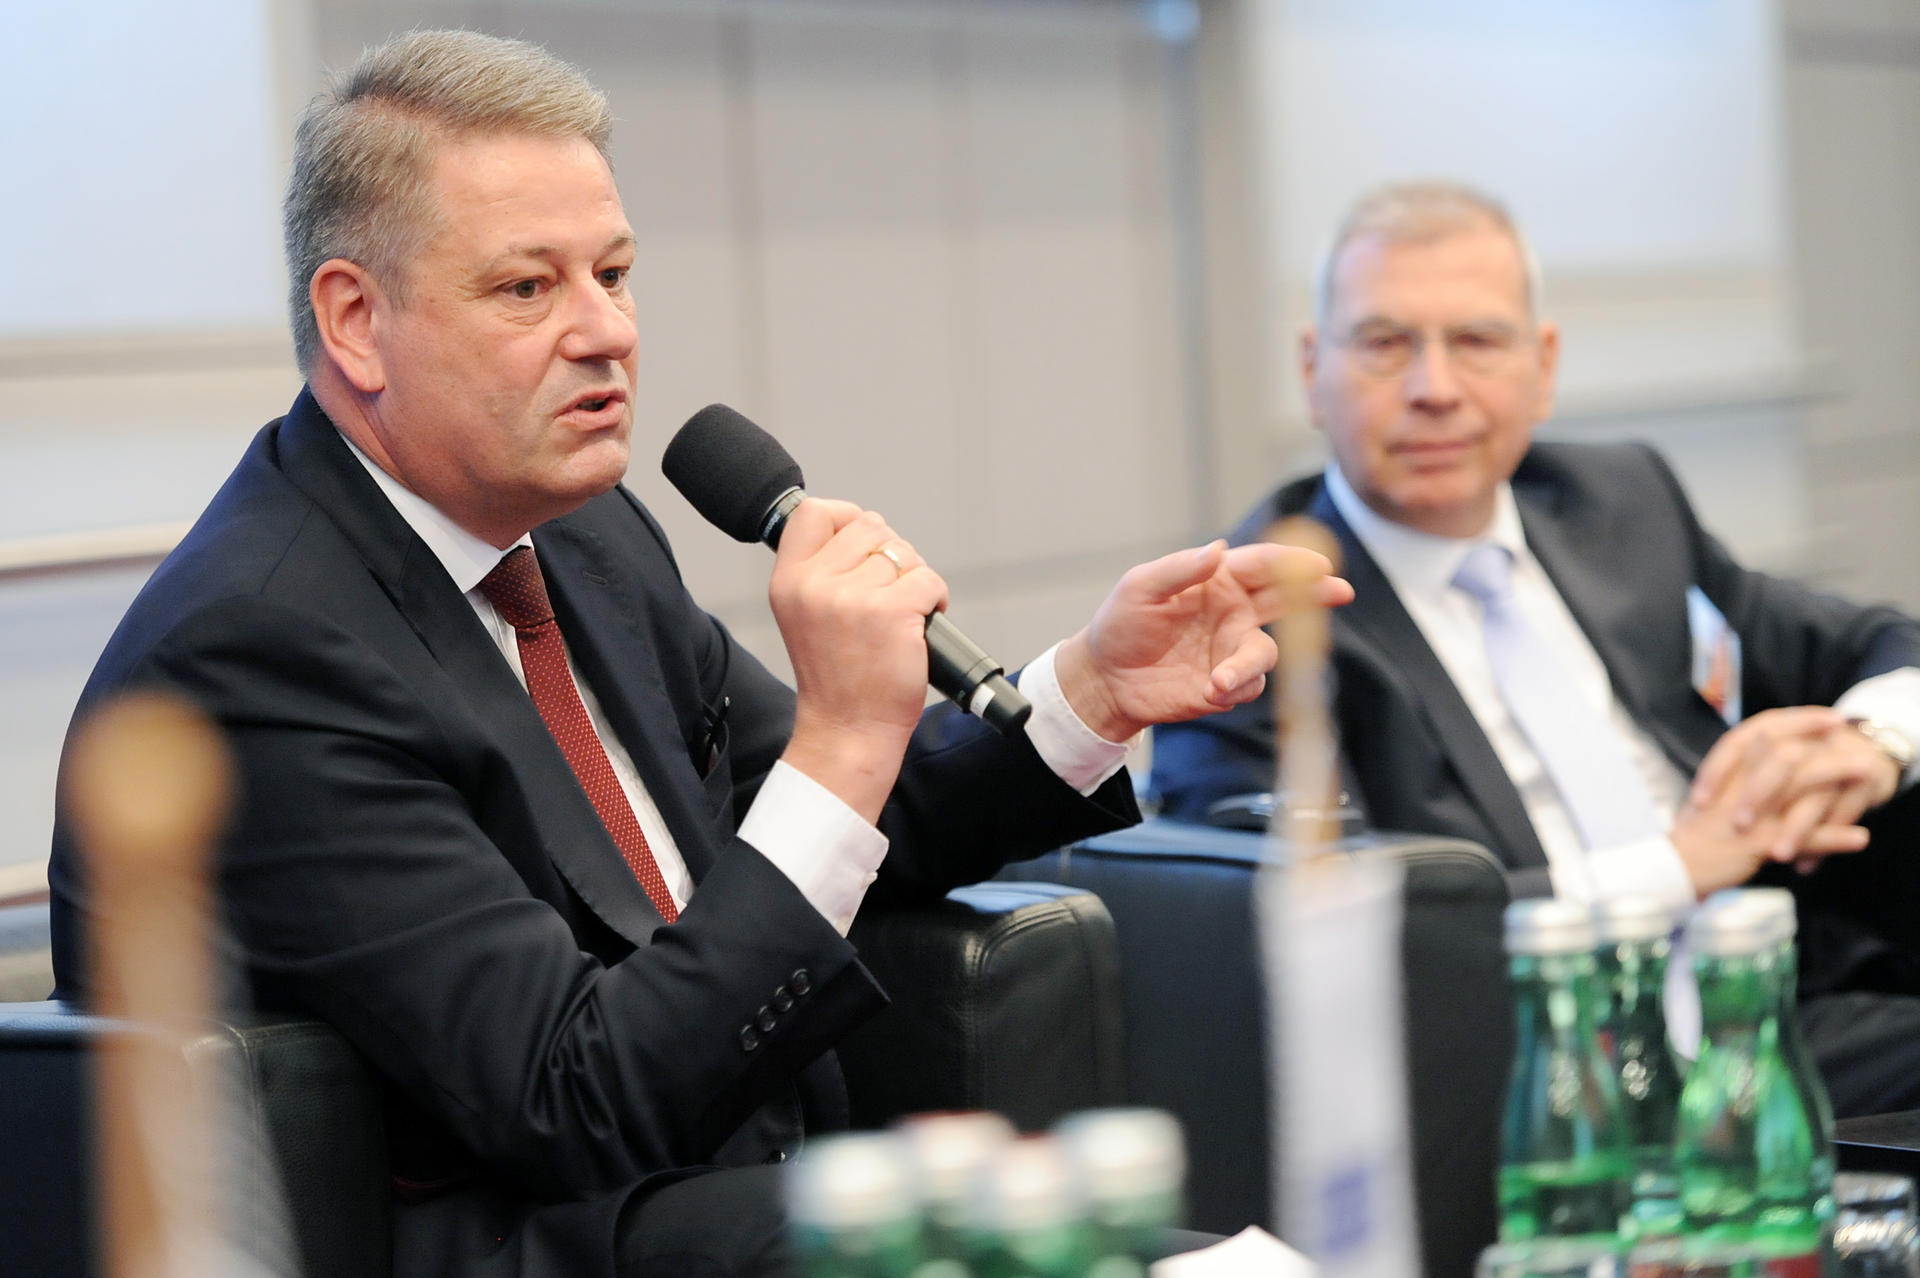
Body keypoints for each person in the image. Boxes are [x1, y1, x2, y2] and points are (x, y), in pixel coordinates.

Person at [45, 30, 1346, 1278]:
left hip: (746, 1207)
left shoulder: (588, 538)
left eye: (613, 274)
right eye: (527, 287)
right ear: (354, 321)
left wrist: (1094, 690)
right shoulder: (259, 652)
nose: (607, 331)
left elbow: (847, 818)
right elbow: (572, 1099)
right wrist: (843, 734)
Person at [1151, 179, 1920, 1116]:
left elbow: (1878, 644)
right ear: (1313, 370)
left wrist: (1867, 744)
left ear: (1543, 366)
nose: (1435, 389)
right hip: (1524, 1082)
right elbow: (1313, 930)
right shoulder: (1256, 622)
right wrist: (1679, 866)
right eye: (1385, 344)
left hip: (1762, 1012)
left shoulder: (1618, 500)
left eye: (1478, 341)